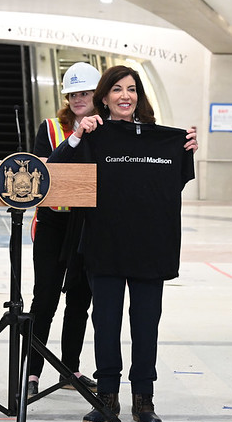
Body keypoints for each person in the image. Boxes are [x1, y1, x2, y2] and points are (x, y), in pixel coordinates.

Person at [49, 65, 197, 422]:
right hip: (105, 243)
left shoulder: (163, 139)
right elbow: (55, 171)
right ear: (104, 97)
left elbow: (173, 184)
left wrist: (186, 148)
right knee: (106, 324)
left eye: (131, 89)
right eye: (117, 89)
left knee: (146, 324)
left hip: (151, 245)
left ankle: (144, 400)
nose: (125, 96)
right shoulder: (95, 134)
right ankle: (108, 399)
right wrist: (77, 136)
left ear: (139, 96)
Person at [26, 62, 101, 397]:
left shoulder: (108, 129)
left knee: (80, 301)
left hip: (87, 225)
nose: (77, 99)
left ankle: (70, 369)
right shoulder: (52, 127)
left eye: (84, 93)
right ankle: (32, 373)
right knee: (44, 299)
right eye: (73, 94)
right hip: (53, 223)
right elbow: (43, 172)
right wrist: (75, 135)